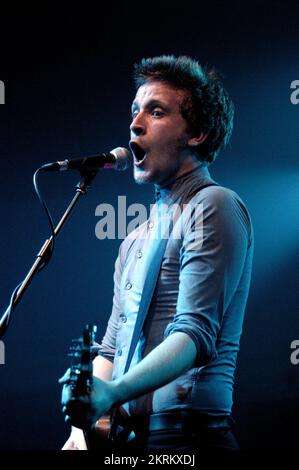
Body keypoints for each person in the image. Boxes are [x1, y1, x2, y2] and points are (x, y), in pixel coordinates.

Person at [60, 55, 254, 459]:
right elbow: (111, 350)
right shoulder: (133, 241)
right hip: (132, 441)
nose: (135, 123)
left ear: (196, 132)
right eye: (135, 111)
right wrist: (86, 421)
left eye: (156, 111)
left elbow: (194, 335)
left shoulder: (214, 204)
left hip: (191, 436)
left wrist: (112, 391)